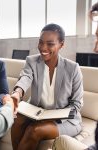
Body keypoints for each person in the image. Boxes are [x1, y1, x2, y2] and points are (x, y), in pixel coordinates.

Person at [10, 23, 83, 150]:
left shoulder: (72, 68)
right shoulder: (31, 61)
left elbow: (76, 104)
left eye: (50, 44)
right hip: (36, 113)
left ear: (61, 44)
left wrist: (51, 118)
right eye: (40, 42)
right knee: (16, 119)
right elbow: (25, 77)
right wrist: (17, 93)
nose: (43, 48)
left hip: (64, 121)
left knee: (35, 130)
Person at [52, 2, 98, 150]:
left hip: (68, 120)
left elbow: (76, 105)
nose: (95, 48)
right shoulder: (37, 67)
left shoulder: (72, 69)